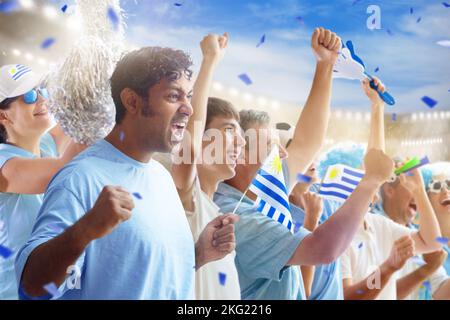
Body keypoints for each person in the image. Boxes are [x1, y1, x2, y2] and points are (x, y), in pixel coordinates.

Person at [15, 46, 238, 299]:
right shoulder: (80, 178)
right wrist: (84, 230)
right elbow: (32, 287)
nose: (188, 108)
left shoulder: (161, 177)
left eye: (189, 97)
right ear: (132, 101)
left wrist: (198, 254)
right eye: (174, 96)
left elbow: (136, 274)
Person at [214, 27, 395, 300]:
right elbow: (323, 249)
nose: (284, 154)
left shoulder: (256, 189)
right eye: (271, 148)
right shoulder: (233, 216)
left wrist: (325, 63)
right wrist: (370, 182)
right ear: (239, 154)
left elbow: (307, 142)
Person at [341, 78, 443, 300]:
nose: (374, 180)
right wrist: (388, 268)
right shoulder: (338, 238)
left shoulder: (377, 225)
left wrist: (418, 190)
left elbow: (431, 241)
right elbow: (348, 297)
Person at [0, 64, 85, 299]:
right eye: (29, 96)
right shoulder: (3, 163)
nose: (41, 99)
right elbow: (65, 168)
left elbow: (79, 114)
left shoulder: (45, 145)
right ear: (3, 115)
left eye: (42, 90)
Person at [171, 33, 245, 299]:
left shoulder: (215, 212)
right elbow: (192, 130)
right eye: (228, 130)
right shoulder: (185, 198)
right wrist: (210, 60)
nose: (240, 141)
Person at [377, 165, 450, 300]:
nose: (419, 194)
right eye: (410, 183)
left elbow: (442, 291)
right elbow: (374, 292)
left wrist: (429, 269)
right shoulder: (372, 229)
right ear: (389, 190)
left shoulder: (423, 237)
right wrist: (425, 270)